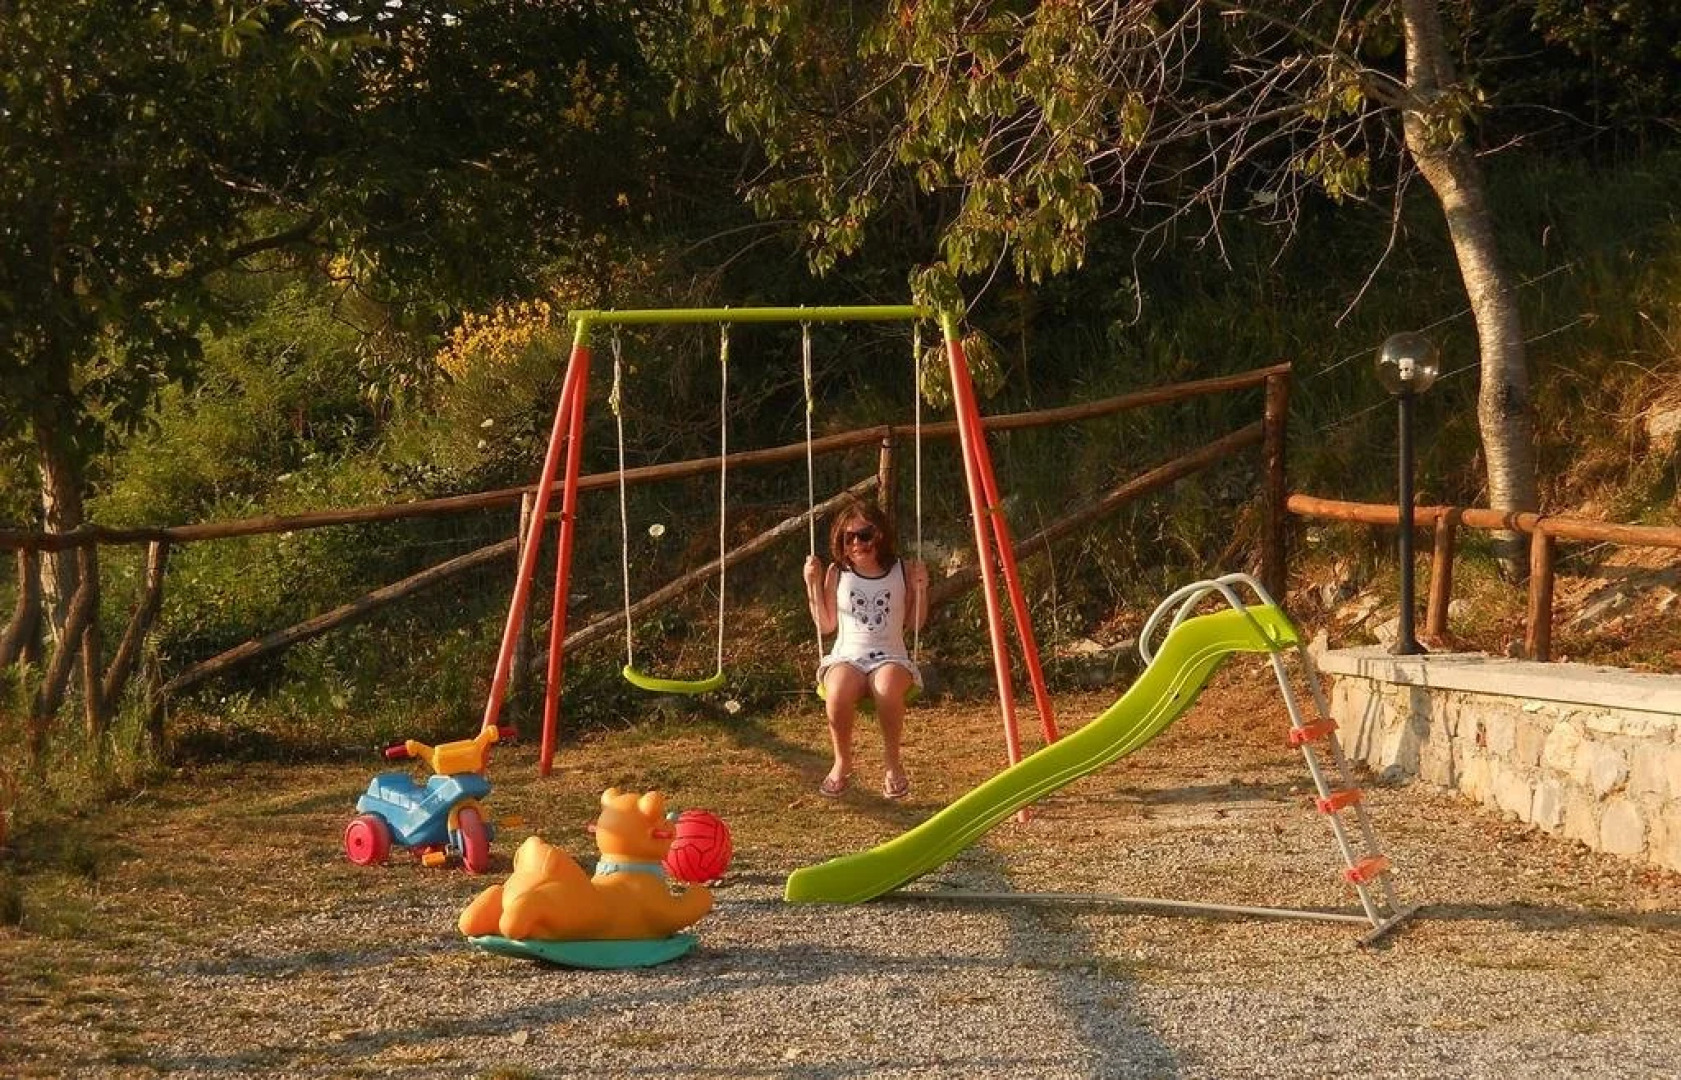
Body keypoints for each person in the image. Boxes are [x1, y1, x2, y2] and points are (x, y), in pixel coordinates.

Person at [802, 496, 929, 800]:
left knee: (886, 687)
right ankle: (842, 762)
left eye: (865, 535)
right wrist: (812, 585)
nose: (857, 543)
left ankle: (893, 765)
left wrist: (922, 589)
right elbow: (826, 625)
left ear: (880, 535)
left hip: (891, 657)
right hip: (848, 656)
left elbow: (915, 624)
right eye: (849, 537)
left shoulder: (903, 570)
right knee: (839, 689)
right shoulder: (837, 573)